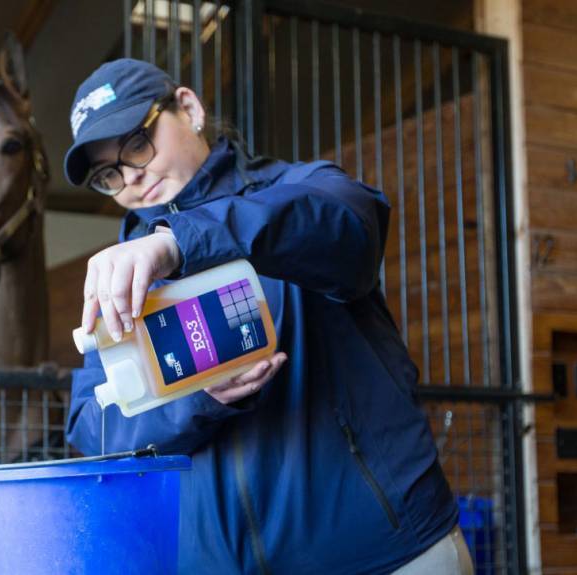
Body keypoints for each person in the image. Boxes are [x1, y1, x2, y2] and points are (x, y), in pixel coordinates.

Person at [62, 59, 475, 574]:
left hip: (386, 556)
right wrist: (195, 399)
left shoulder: (301, 191)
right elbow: (90, 424)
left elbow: (352, 232)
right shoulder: (124, 281)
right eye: (108, 174)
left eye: (137, 144)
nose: (131, 177)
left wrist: (180, 241)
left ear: (188, 109)